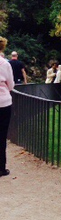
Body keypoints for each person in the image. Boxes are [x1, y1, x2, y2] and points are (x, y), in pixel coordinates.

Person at [0, 37, 15, 177]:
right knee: (2, 134)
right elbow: (11, 85)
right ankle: (1, 167)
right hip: (3, 103)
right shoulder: (5, 64)